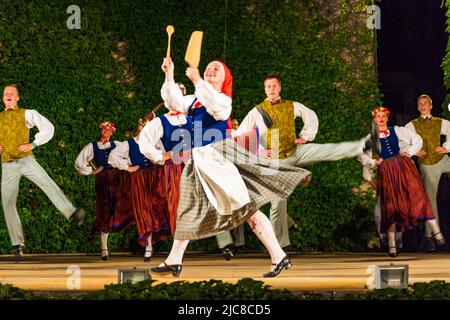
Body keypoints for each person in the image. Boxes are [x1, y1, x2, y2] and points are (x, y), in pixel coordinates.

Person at [150, 57, 313, 278]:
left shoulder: (224, 100)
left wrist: (198, 79)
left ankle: (278, 255)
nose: (210, 69)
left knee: (248, 211)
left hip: (218, 157)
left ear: (224, 78)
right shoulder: (194, 100)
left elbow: (216, 108)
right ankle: (174, 260)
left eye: (216, 68)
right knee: (188, 209)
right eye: (208, 68)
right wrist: (169, 74)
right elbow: (173, 103)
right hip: (198, 160)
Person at [234, 74, 375, 248]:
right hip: (275, 161)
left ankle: (362, 145)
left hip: (294, 151)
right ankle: (279, 248)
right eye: (268, 87)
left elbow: (310, 115)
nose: (271, 89)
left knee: (325, 150)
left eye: (274, 86)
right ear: (265, 89)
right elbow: (240, 135)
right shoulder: (257, 111)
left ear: (280, 87)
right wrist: (260, 151)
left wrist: (305, 136)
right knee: (277, 204)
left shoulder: (291, 105)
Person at [0, 85, 85, 262]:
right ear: (3, 98)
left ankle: (71, 212)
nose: (8, 95)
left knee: (47, 183)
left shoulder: (27, 113)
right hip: (8, 165)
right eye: (5, 93)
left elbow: (48, 128)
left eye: (12, 93)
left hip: (26, 161)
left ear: (17, 98)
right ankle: (18, 245)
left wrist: (33, 144)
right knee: (8, 202)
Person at [358, 106, 446, 257]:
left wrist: (410, 152)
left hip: (403, 166)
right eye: (378, 116)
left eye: (383, 116)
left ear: (387, 118)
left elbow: (417, 139)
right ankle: (392, 244)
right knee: (391, 206)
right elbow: (361, 155)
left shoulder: (397, 130)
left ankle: (436, 232)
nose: (381, 118)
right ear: (374, 119)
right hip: (387, 170)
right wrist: (373, 162)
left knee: (418, 196)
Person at [109, 117, 170, 262]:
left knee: (161, 207)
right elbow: (113, 157)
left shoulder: (156, 142)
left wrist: (158, 159)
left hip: (156, 178)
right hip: (140, 180)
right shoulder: (129, 143)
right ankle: (148, 246)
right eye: (145, 127)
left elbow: (163, 157)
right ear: (140, 127)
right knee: (144, 211)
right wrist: (127, 167)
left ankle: (175, 246)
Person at [75, 121, 133, 260]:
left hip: (119, 180)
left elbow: (131, 156)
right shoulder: (92, 147)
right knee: (104, 211)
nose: (107, 131)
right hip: (103, 181)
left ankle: (143, 242)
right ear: (101, 130)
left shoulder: (118, 145)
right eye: (104, 129)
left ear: (113, 132)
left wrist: (124, 167)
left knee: (124, 206)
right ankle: (104, 249)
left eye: (110, 129)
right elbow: (78, 163)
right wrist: (92, 171)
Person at [405, 94, 450, 251]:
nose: (423, 106)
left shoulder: (440, 122)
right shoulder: (412, 125)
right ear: (418, 107)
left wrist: (446, 147)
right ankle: (429, 237)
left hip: (443, 160)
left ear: (431, 106)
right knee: (430, 201)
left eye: (426, 103)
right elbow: (402, 141)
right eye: (420, 104)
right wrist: (414, 151)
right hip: (427, 165)